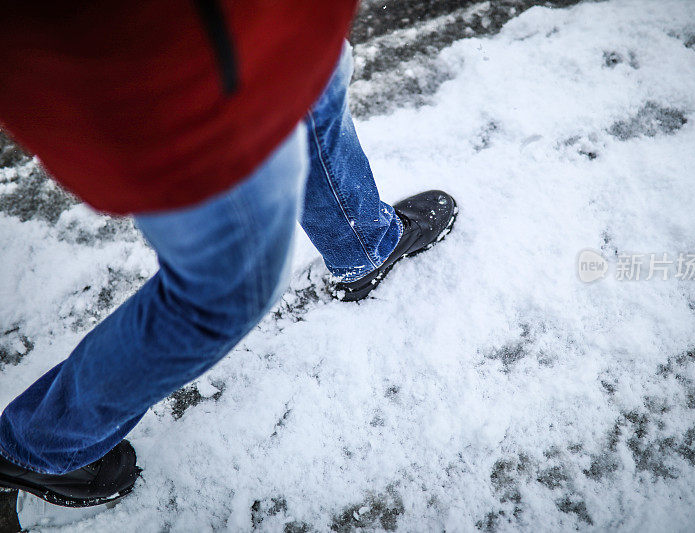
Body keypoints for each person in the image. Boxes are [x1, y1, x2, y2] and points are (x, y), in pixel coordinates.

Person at [0, 2, 456, 507]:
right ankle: (42, 445)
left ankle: (364, 245)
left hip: (263, 28)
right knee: (219, 294)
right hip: (179, 82)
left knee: (311, 94)